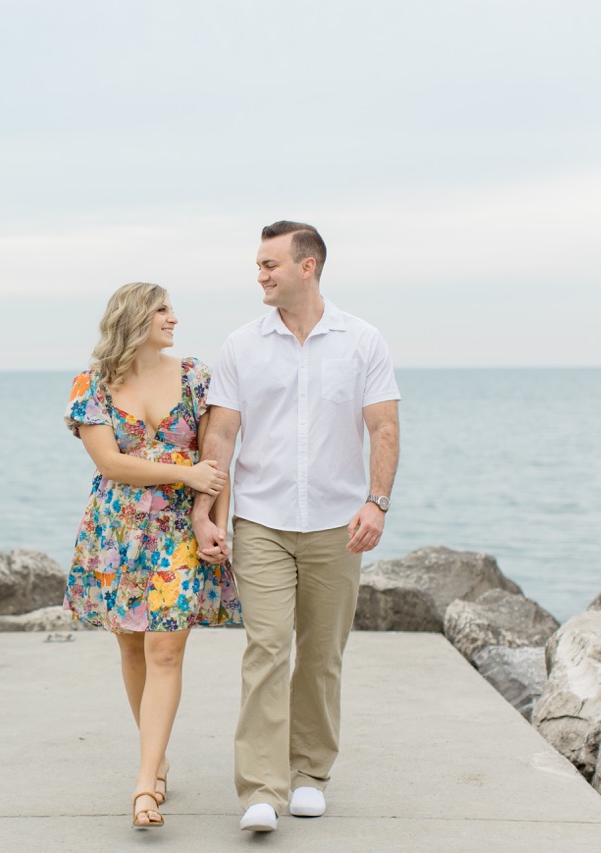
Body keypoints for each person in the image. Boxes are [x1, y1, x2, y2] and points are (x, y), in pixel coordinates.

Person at [192, 221, 401, 833]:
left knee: (321, 654)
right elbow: (221, 435)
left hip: (339, 524)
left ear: (306, 267)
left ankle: (310, 773)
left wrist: (377, 502)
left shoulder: (363, 341)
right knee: (265, 647)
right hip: (261, 520)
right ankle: (261, 787)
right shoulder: (241, 345)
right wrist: (208, 515)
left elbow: (383, 428)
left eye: (269, 264)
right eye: (259, 264)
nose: (260, 274)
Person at [64, 281, 243, 829]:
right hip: (116, 532)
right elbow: (111, 464)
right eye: (163, 309)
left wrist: (215, 521)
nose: (174, 318)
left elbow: (216, 460)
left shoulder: (196, 377)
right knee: (133, 650)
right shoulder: (91, 385)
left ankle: (144, 786)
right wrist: (180, 472)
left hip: (177, 532)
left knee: (166, 651)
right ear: (135, 317)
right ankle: (156, 756)